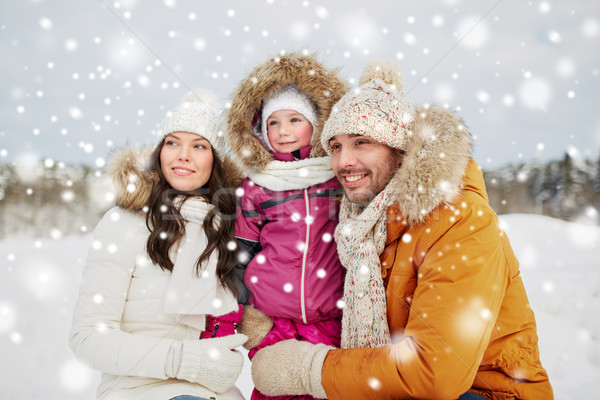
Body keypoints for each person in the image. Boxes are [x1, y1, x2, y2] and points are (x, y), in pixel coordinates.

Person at [249, 61, 554, 399]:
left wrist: (310, 368)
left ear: (400, 151)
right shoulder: (359, 227)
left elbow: (433, 372)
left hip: (486, 393)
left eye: (361, 142)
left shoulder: (461, 220)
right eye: (335, 146)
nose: (343, 161)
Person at [69, 89, 249, 400]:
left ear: (214, 161)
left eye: (199, 146)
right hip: (138, 389)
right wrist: (181, 360)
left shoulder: (227, 230)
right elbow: (87, 338)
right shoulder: (124, 223)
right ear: (159, 152)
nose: (183, 155)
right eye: (172, 142)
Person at [225, 52, 349, 400]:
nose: (283, 131)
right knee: (277, 390)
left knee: (330, 390)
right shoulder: (258, 184)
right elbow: (241, 254)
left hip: (332, 319)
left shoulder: (337, 178)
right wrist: (246, 315)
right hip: (273, 321)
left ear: (317, 123)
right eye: (273, 123)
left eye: (294, 120)